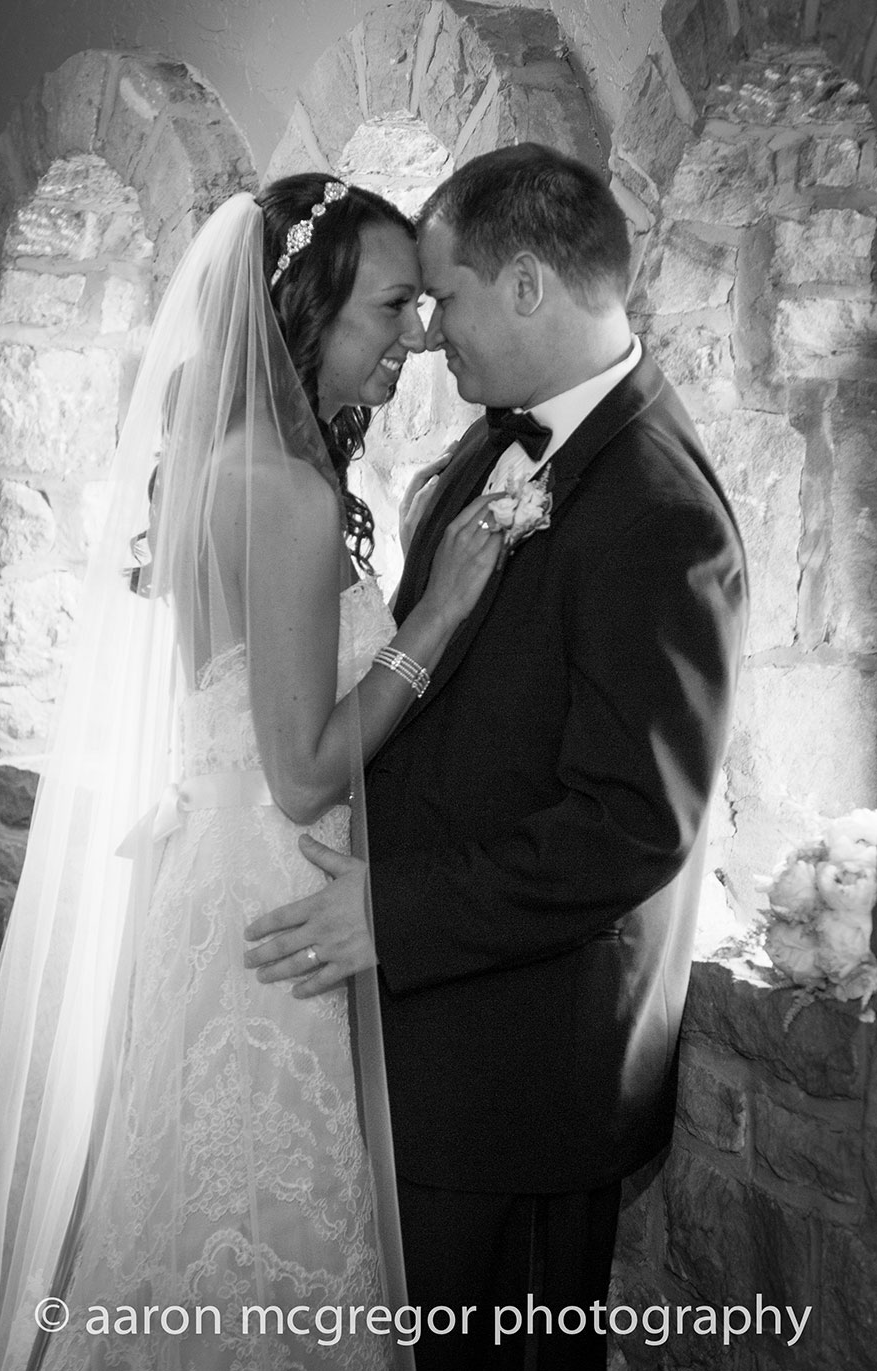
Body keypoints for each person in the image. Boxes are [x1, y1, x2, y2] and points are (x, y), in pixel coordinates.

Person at [0, 174, 504, 1371]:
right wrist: (440, 614)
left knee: (194, 1225)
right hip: (278, 906)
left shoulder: (223, 458)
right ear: (304, 309)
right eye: (391, 307)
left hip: (221, 885)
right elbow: (303, 771)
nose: (415, 339)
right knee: (261, 1236)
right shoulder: (288, 490)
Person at [245, 143, 749, 1370]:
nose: (427, 334)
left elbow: (632, 823)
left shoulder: (659, 509)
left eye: (443, 296)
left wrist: (393, 913)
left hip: (518, 1079)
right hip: (431, 1048)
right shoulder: (496, 444)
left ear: (525, 286)